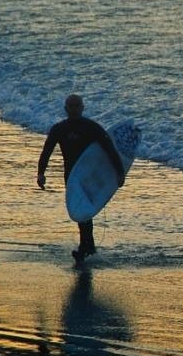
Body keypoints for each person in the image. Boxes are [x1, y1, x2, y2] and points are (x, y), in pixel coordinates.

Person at [37, 94, 125, 263]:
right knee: (81, 209)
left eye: (77, 105)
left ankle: (85, 247)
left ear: (83, 108)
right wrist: (41, 173)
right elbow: (46, 151)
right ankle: (88, 247)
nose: (74, 109)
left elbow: (109, 149)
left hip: (90, 176)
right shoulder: (59, 129)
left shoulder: (92, 128)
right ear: (65, 109)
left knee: (85, 211)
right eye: (71, 106)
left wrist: (119, 173)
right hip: (71, 178)